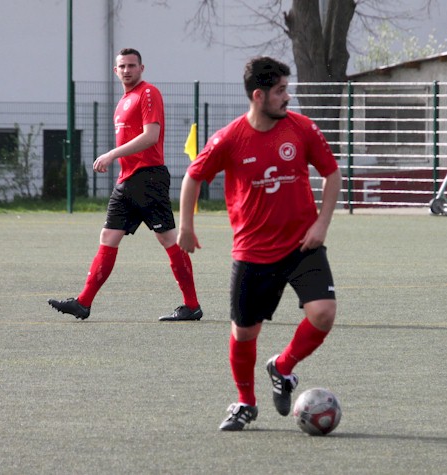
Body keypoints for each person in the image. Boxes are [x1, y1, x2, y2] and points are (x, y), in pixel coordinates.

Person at [177, 56, 341, 430]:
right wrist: (186, 226)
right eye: (281, 91)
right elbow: (193, 176)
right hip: (253, 253)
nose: (288, 97)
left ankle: (282, 367)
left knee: (324, 313)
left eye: (287, 89)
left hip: (303, 245)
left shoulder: (301, 129)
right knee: (244, 333)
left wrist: (321, 225)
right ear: (258, 95)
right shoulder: (230, 138)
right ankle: (245, 403)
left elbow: (332, 174)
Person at [48, 48, 202, 322]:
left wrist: (112, 154)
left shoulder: (147, 93)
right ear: (115, 70)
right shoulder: (122, 102)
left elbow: (151, 136)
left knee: (168, 239)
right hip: (128, 181)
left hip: (149, 178)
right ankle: (83, 303)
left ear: (142, 68)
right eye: (123, 66)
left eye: (132, 65)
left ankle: (191, 305)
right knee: (108, 238)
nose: (127, 70)